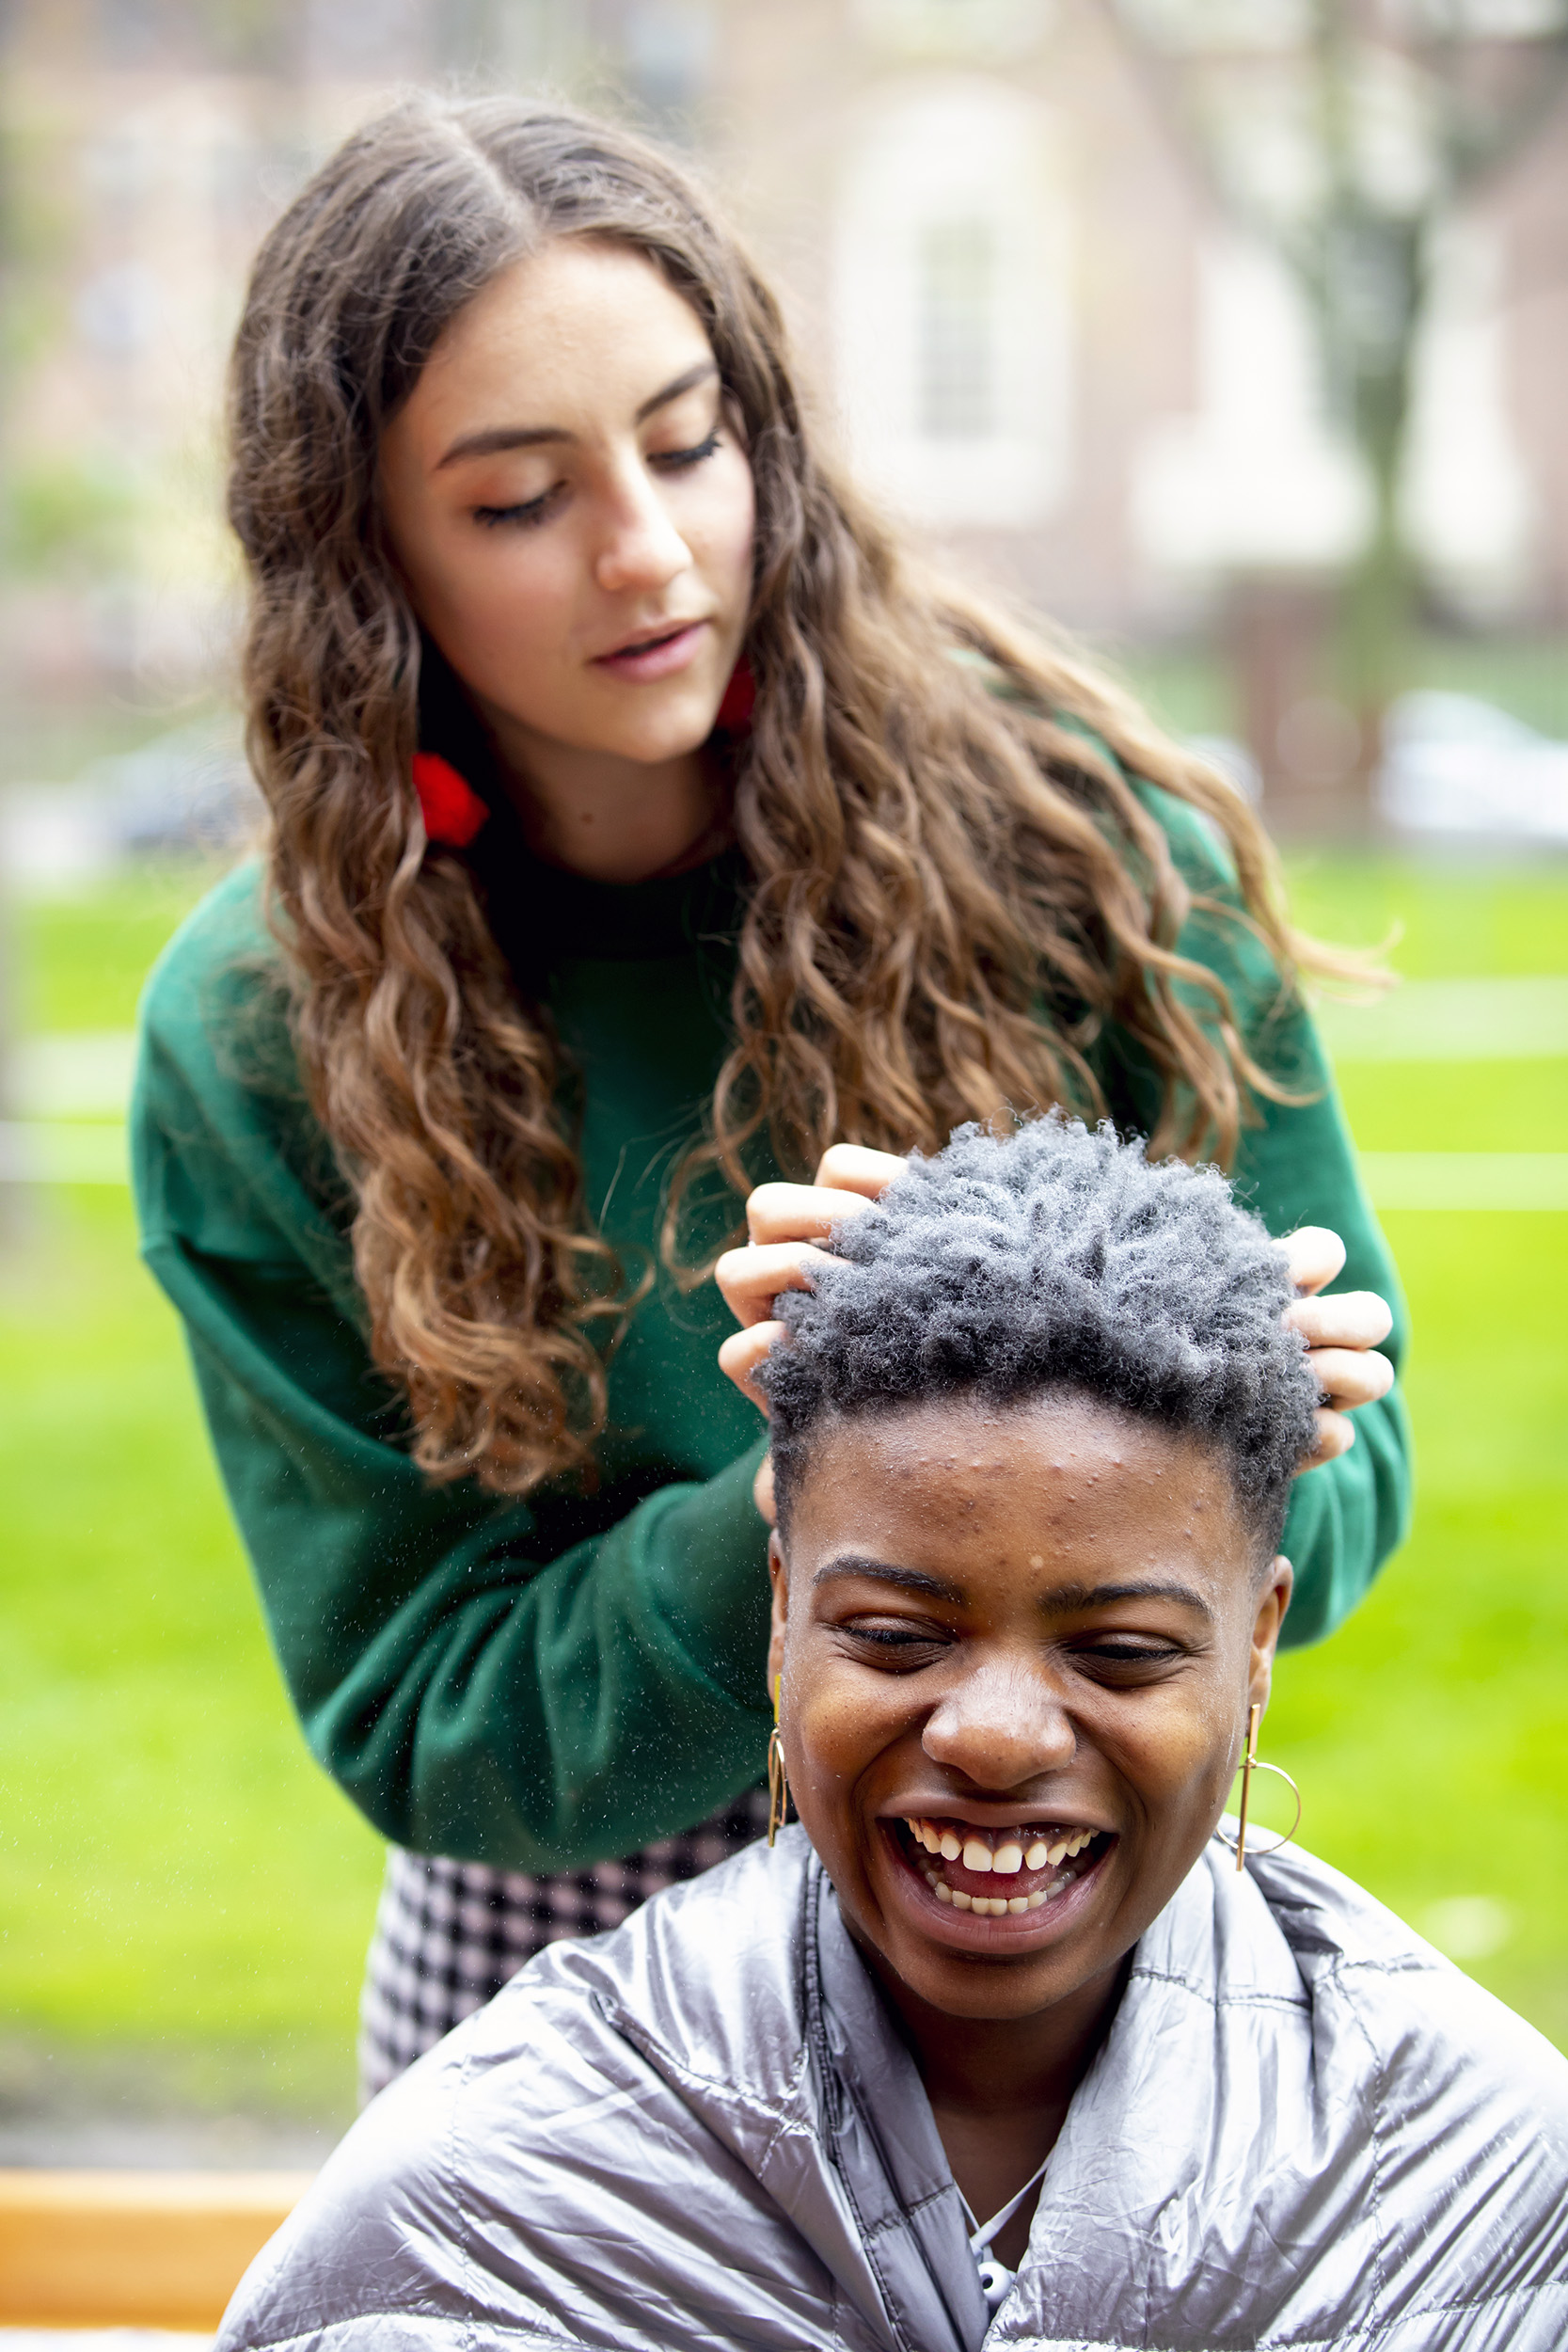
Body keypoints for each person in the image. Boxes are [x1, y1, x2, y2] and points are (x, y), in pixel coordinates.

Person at [132, 93, 1407, 2100]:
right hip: (567, 1973)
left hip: (1070, 1889)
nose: (646, 550)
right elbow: (430, 1718)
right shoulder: (260, 1026)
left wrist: (1231, 1427)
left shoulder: (1080, 842)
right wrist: (815, 1491)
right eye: (515, 497)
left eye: (684, 438)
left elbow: (1352, 1465)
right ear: (363, 551)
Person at [212, 1118, 1565, 2352]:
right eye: (898, 1637)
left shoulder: (1476, 2175)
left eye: (1120, 1651)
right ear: (784, 1605)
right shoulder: (497, 2199)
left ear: (1256, 1641)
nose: (995, 1735)